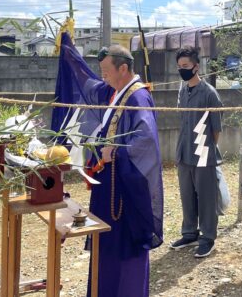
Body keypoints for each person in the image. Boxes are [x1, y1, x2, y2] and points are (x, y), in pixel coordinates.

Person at [51, 37, 163, 297]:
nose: (103, 78)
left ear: (122, 69)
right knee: (108, 247)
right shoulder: (116, 93)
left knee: (125, 249)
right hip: (111, 183)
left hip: (124, 191)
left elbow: (147, 141)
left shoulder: (138, 98)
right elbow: (88, 84)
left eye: (106, 72)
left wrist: (117, 153)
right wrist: (70, 55)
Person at [170, 46, 223, 258]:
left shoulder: (209, 93)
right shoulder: (182, 90)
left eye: (186, 66)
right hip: (184, 151)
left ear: (196, 66)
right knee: (187, 195)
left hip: (203, 152)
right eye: (179, 67)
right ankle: (190, 232)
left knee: (206, 197)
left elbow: (216, 129)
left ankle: (207, 237)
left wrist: (207, 148)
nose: (182, 70)